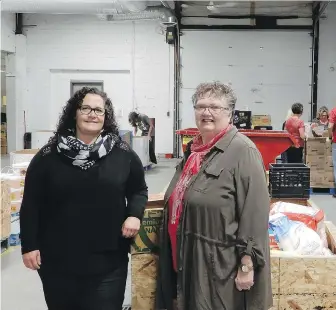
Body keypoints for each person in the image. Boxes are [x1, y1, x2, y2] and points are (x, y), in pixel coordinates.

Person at [19, 87, 148, 310]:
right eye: (86, 108)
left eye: (99, 110)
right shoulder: (48, 156)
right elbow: (31, 203)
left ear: (106, 117)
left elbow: (139, 190)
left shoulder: (122, 153)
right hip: (58, 260)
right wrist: (29, 245)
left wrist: (134, 215)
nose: (92, 114)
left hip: (108, 260)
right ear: (74, 113)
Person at [156, 82, 272, 310]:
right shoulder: (195, 151)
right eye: (200, 106)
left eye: (214, 107)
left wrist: (247, 265)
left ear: (229, 113)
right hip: (189, 258)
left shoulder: (242, 151)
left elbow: (255, 214)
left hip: (221, 266)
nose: (206, 112)